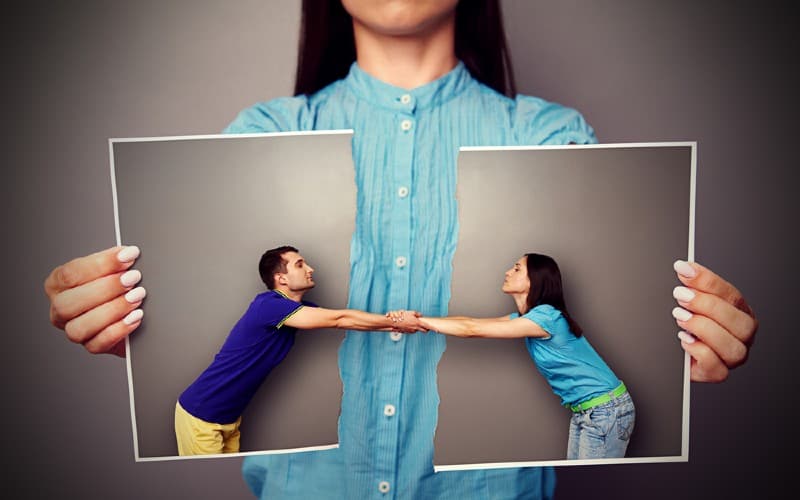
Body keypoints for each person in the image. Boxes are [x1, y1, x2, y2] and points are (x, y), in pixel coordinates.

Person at [43, 0, 758, 498]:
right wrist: (134, 321)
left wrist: (682, 336)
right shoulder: (258, 132)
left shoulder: (552, 138)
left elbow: (599, 332)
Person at [175, 245, 422, 456]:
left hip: (228, 418)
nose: (310, 269)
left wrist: (397, 323)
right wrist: (396, 322)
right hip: (202, 416)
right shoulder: (268, 306)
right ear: (281, 278)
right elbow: (339, 318)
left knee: (228, 487)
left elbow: (347, 321)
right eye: (300, 264)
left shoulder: (297, 311)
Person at [402, 253, 635, 460]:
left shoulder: (546, 318)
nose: (507, 272)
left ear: (535, 279)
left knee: (591, 490)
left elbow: (472, 329)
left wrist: (419, 322)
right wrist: (420, 320)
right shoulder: (529, 318)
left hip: (606, 411)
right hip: (589, 412)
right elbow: (472, 323)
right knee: (581, 486)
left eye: (516, 268)